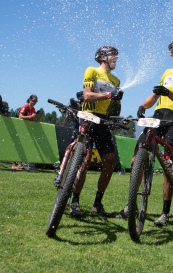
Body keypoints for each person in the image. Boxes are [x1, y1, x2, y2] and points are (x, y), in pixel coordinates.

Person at [132, 37, 173, 227]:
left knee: (168, 166)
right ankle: (131, 205)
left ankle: (164, 213)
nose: (170, 52)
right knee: (136, 158)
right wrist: (142, 106)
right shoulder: (168, 72)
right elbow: (154, 96)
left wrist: (168, 93)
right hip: (157, 118)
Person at [68, 45, 123, 218]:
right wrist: (108, 96)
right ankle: (74, 201)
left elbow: (113, 108)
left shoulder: (116, 80)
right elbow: (87, 96)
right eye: (113, 55)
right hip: (88, 116)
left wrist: (117, 103)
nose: (116, 58)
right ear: (102, 57)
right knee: (84, 159)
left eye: (117, 55)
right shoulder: (91, 70)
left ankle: (97, 204)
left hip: (103, 121)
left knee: (110, 162)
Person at [15, 94, 39, 170]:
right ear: (29, 100)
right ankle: (18, 164)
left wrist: (36, 117)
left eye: (36, 101)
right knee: (19, 146)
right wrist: (30, 117)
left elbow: (33, 120)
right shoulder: (25, 107)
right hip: (20, 128)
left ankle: (20, 163)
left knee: (24, 147)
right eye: (33, 101)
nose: (34, 102)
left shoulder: (33, 109)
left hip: (27, 130)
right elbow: (20, 116)